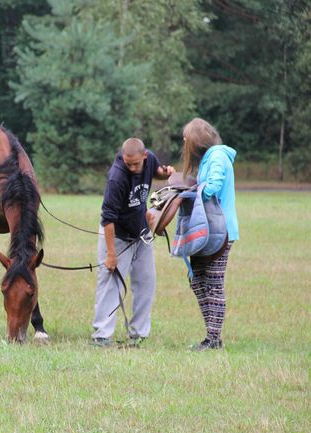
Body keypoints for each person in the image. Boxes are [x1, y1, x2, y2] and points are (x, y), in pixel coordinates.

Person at [91, 138, 174, 347]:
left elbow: (156, 172)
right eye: (128, 164)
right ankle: (102, 335)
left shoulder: (150, 160)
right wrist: (111, 255)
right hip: (116, 235)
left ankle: (139, 334)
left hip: (141, 231)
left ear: (144, 156)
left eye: (136, 164)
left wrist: (166, 173)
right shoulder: (117, 178)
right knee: (111, 283)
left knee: (146, 281)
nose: (132, 168)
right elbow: (107, 219)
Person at [180, 118, 238, 350]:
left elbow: (212, 187)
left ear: (195, 140)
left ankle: (213, 339)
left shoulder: (216, 156)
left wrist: (190, 193)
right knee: (198, 281)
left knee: (213, 283)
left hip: (220, 231)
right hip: (207, 228)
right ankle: (211, 335)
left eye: (186, 138)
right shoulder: (208, 158)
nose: (184, 142)